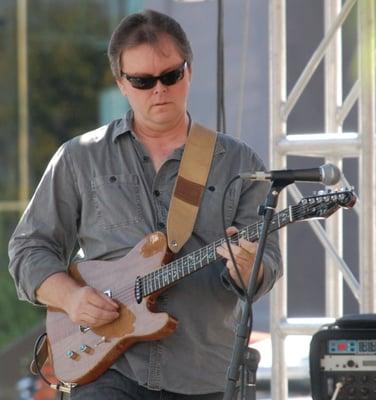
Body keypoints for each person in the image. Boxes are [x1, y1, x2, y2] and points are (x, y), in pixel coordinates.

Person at [8, 9, 282, 400]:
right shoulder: (80, 157)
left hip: (206, 373)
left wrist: (247, 268)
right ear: (121, 83)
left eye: (170, 76)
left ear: (189, 70)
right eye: (142, 80)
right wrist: (71, 297)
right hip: (107, 371)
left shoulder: (239, 163)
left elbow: (267, 265)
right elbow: (29, 249)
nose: (159, 90)